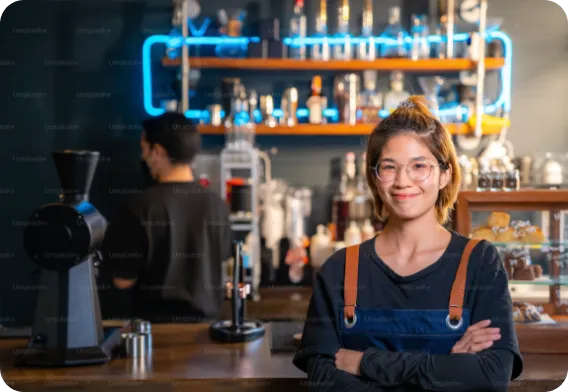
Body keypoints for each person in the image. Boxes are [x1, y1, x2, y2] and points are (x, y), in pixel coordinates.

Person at [293, 96, 523, 391]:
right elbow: (321, 377)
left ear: (444, 174)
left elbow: (492, 376)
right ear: (375, 178)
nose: (403, 181)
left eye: (419, 166)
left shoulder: (479, 262)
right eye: (389, 167)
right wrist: (446, 366)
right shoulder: (339, 269)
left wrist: (366, 362)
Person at [102, 112, 233, 323]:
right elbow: (225, 263)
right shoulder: (217, 204)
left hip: (155, 333)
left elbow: (122, 280)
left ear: (158, 152)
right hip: (207, 332)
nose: (143, 157)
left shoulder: (138, 206)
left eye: (144, 149)